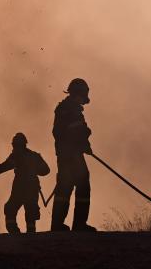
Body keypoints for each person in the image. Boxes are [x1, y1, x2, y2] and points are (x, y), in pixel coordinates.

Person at [50, 78, 97, 232]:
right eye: (82, 96)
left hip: (65, 154)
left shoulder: (64, 108)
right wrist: (85, 143)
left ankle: (57, 225)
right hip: (73, 154)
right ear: (79, 94)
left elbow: (63, 132)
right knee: (83, 184)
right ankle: (79, 225)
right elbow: (79, 130)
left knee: (64, 187)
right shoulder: (72, 109)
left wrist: (84, 143)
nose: (83, 100)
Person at [0, 133, 50, 233]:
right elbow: (46, 170)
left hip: (20, 187)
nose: (13, 148)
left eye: (15, 146)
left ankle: (15, 233)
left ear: (18, 145)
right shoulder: (35, 156)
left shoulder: (16, 156)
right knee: (30, 212)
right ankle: (30, 235)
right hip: (32, 187)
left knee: (11, 209)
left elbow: (4, 167)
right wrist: (33, 170)